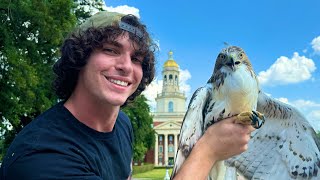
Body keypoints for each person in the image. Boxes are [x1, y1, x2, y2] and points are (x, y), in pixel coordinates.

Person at [0, 11, 254, 180]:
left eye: (137, 58)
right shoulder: (42, 159)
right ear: (79, 57)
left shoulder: (121, 123)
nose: (126, 66)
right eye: (110, 50)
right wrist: (207, 151)